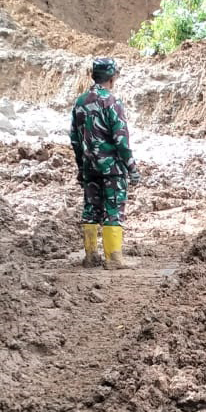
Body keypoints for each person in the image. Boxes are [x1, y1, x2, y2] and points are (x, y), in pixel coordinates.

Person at [69, 57, 141, 269]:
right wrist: (132, 169)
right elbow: (121, 140)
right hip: (112, 168)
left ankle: (91, 256)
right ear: (112, 77)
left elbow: (74, 139)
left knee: (91, 208)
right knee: (113, 208)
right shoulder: (112, 102)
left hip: (90, 166)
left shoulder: (80, 102)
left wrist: (81, 167)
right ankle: (114, 258)